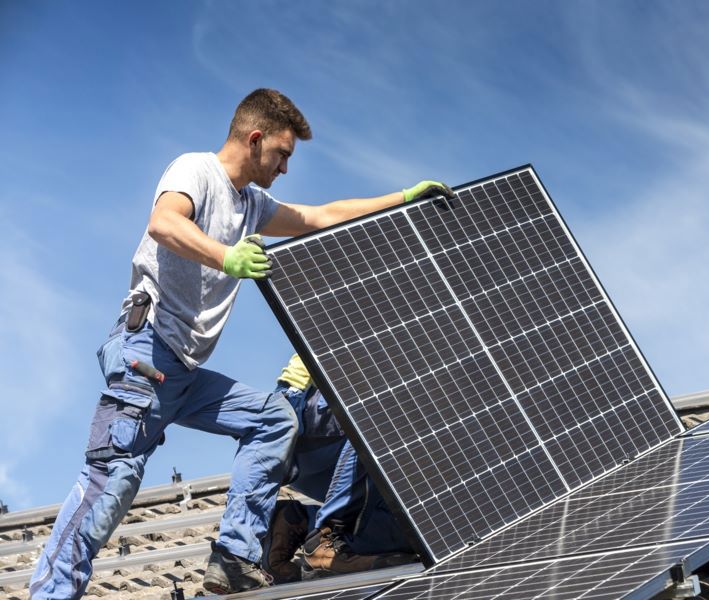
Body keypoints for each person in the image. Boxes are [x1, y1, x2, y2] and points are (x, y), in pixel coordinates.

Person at [28, 88, 454, 599]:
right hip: (147, 356)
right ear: (255, 140)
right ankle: (50, 594)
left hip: (183, 374)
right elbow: (164, 223)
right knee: (113, 482)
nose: (285, 168)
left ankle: (233, 557)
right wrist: (226, 258)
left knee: (275, 419)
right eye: (282, 154)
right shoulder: (195, 171)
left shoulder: (251, 204)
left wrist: (403, 198)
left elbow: (320, 216)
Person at [264, 355, 416, 584]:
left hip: (340, 457)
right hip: (306, 414)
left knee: (422, 527)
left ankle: (299, 521)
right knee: (388, 407)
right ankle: (326, 537)